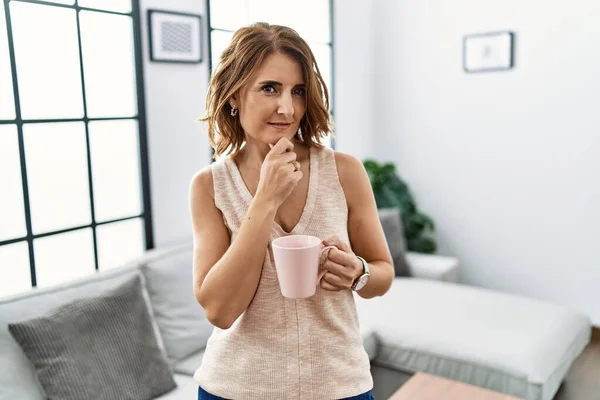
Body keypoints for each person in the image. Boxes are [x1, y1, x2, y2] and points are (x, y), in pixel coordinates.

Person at [189, 22, 394, 400]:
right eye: (270, 88)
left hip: (338, 385)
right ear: (234, 95)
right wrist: (265, 199)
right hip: (234, 387)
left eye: (297, 91)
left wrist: (359, 272)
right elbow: (219, 310)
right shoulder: (209, 186)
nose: (288, 108)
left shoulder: (344, 171)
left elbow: (383, 273)